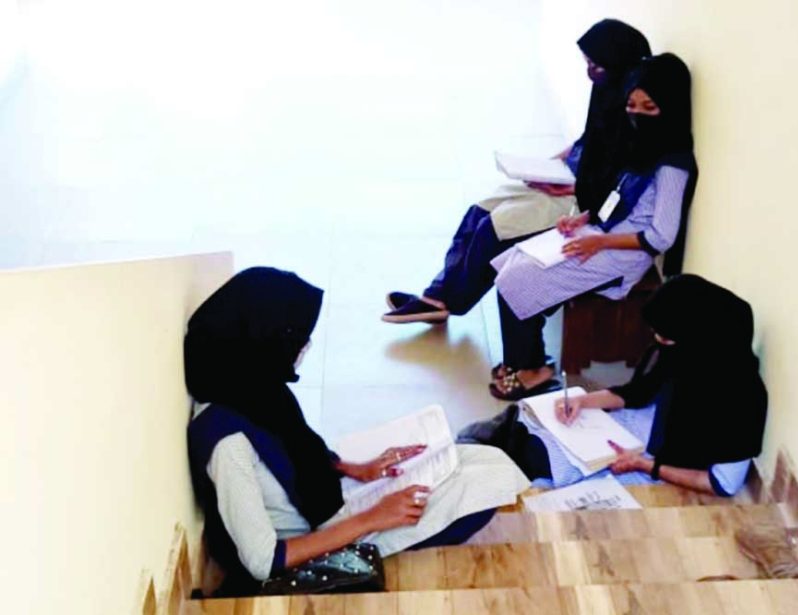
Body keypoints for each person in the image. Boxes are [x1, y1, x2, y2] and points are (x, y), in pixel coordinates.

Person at [185, 267, 528, 596]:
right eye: (296, 339)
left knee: (484, 460)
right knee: (484, 489)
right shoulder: (227, 444)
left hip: (327, 497)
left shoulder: (248, 382)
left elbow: (291, 447)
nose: (303, 348)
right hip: (318, 534)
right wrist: (375, 517)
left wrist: (354, 468)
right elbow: (262, 561)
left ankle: (496, 441)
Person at [381, 19, 650, 325]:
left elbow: (623, 182)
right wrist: (550, 166)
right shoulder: (606, 89)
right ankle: (436, 295)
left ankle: (449, 302)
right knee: (478, 211)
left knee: (495, 227)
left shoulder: (633, 110)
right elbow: (586, 141)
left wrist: (572, 186)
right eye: (587, 64)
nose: (590, 73)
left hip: (584, 201)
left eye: (596, 66)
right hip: (566, 179)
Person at [489, 53, 698, 400]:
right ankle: (525, 357)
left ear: (671, 107)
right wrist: (584, 219)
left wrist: (599, 243)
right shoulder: (642, 147)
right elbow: (619, 196)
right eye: (632, 104)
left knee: (518, 279)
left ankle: (533, 369)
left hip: (623, 253)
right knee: (512, 262)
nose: (638, 115)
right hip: (601, 235)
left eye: (650, 107)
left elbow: (662, 235)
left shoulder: (673, 165)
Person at [458, 274, 768, 497]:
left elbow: (722, 483)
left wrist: (645, 466)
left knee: (527, 455)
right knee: (521, 423)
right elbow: (638, 392)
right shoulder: (687, 352)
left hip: (649, 457)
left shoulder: (741, 397)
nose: (659, 342)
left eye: (666, 336)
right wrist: (584, 402)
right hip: (630, 428)